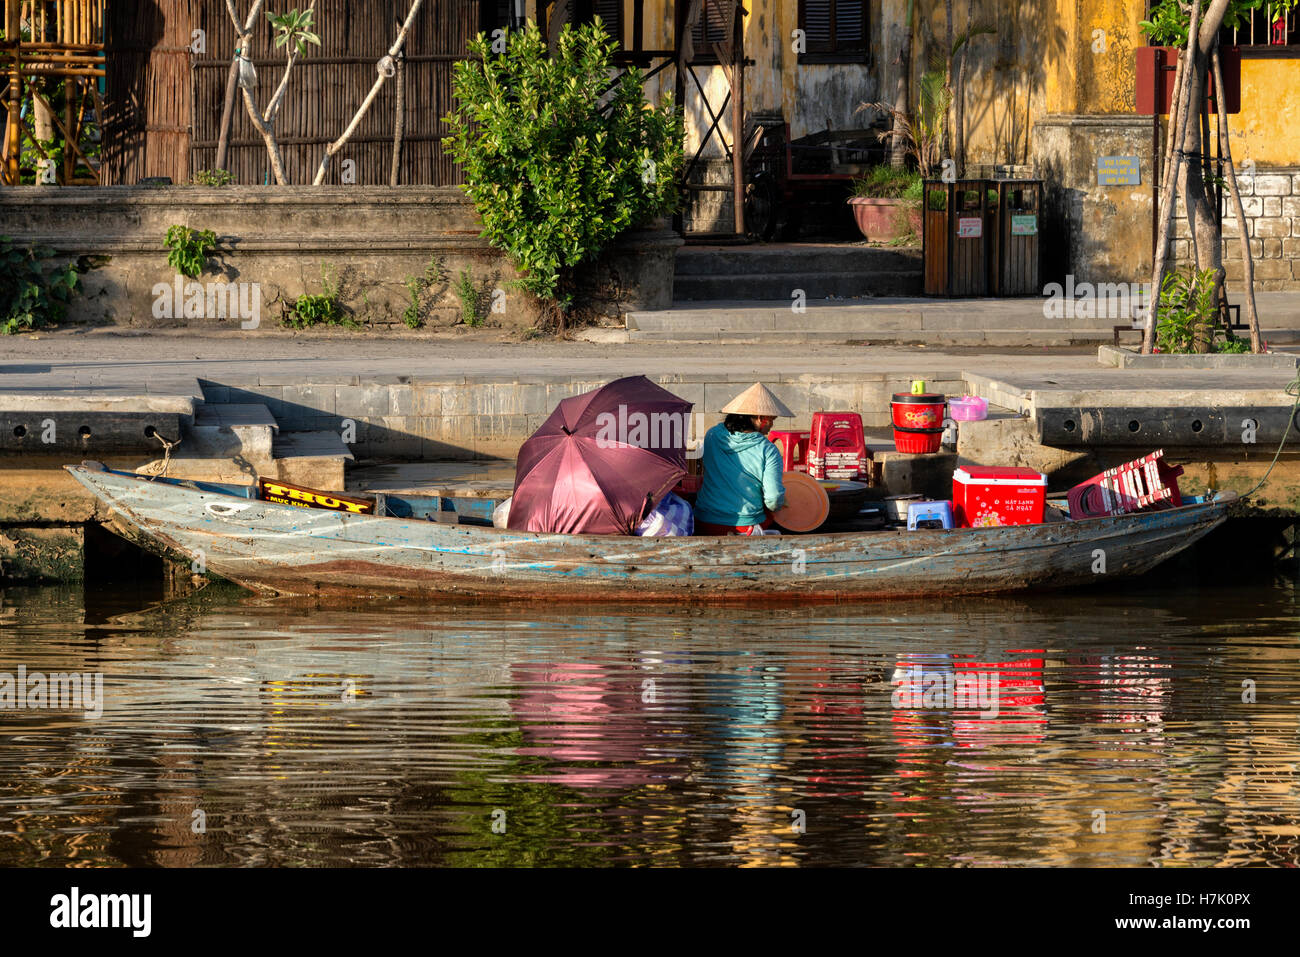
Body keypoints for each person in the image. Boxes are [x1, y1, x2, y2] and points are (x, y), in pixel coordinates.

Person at [694, 382, 793, 535]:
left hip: (704, 520)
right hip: (745, 527)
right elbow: (773, 499)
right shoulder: (768, 450)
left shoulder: (712, 435)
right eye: (772, 420)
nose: (771, 425)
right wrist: (780, 504)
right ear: (761, 418)